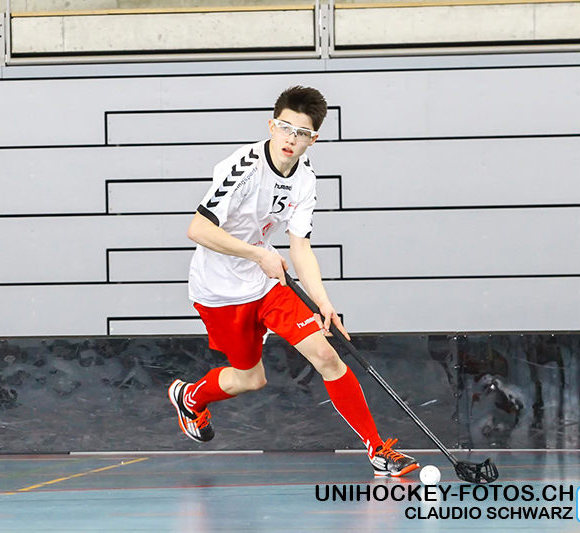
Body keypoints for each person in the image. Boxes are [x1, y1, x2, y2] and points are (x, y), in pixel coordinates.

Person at [167, 86, 419, 477]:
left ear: (313, 139)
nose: (291, 138)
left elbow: (300, 247)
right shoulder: (242, 168)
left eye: (301, 133)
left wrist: (323, 303)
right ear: (272, 126)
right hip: (219, 291)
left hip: (269, 285)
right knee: (250, 379)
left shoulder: (305, 179)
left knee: (327, 356)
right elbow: (198, 229)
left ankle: (377, 449)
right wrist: (258, 254)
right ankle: (190, 397)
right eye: (285, 128)